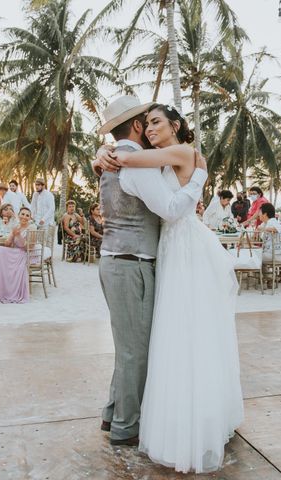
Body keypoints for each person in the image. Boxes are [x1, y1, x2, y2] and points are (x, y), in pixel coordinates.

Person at [94, 98, 242, 474]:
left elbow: (169, 204)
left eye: (159, 121)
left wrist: (196, 178)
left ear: (175, 125)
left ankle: (126, 418)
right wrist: (105, 153)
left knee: (168, 336)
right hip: (152, 255)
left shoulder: (175, 152)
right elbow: (132, 164)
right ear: (139, 128)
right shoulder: (146, 156)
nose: (153, 127)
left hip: (175, 249)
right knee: (150, 342)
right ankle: (123, 420)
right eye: (148, 122)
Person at [0, 207, 36, 303]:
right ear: (18, 215)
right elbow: (7, 244)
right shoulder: (16, 226)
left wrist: (18, 235)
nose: (24, 217)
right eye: (22, 214)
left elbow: (29, 247)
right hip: (14, 251)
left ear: (30, 218)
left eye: (27, 215)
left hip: (23, 254)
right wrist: (12, 235)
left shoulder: (32, 228)